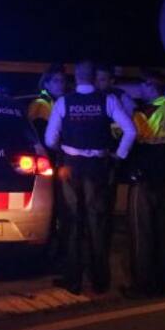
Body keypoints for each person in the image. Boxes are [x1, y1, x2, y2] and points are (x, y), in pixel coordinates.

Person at [46, 59, 136, 294]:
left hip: (71, 167)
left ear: (76, 77)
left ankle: (73, 280)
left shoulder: (64, 102)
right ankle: (100, 281)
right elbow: (130, 130)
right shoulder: (108, 100)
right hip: (97, 168)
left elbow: (49, 139)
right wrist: (118, 155)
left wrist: (62, 148)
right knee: (98, 223)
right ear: (94, 77)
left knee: (72, 223)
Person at [123, 70, 165, 297]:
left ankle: (142, 285)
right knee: (162, 233)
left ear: (151, 86)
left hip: (143, 182)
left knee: (141, 234)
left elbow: (124, 136)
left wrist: (126, 113)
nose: (140, 88)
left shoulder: (145, 114)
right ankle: (163, 282)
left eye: (142, 84)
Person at [28, 64, 68, 268]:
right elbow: (40, 139)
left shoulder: (56, 102)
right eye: (57, 81)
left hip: (58, 161)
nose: (62, 84)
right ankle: (49, 256)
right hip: (48, 163)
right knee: (51, 209)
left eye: (63, 80)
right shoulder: (41, 105)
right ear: (46, 83)